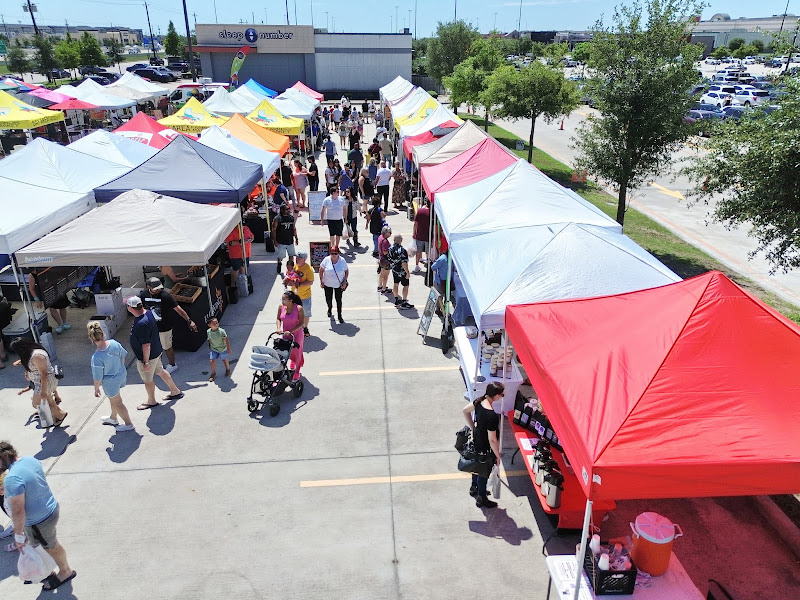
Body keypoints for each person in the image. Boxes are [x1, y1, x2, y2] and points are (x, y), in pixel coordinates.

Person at [0, 441, 77, 591]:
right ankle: (48, 569)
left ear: (4, 455)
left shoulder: (12, 479)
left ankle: (65, 572)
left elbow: (18, 512)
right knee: (41, 545)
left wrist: (18, 536)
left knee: (51, 546)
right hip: (50, 507)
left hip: (39, 521)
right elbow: (31, 483)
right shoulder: (30, 460)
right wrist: (9, 490)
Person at [126, 296, 183, 410]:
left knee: (148, 380)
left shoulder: (141, 323)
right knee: (160, 371)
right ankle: (175, 391)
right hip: (156, 352)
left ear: (130, 308)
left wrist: (145, 362)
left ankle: (151, 401)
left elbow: (146, 345)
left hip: (148, 357)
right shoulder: (148, 313)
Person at [140, 277, 197, 374]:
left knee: (167, 346)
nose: (157, 289)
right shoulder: (143, 295)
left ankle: (172, 365)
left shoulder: (166, 296)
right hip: (151, 327)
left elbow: (178, 309)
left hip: (164, 327)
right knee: (154, 347)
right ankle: (158, 365)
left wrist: (189, 320)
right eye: (155, 288)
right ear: (148, 287)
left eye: (158, 287)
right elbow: (141, 310)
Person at [462, 383, 504, 509]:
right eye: (501, 394)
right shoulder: (491, 416)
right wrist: (498, 455)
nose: (502, 396)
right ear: (495, 396)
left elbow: (465, 410)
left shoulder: (480, 401)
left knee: (476, 466)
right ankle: (481, 497)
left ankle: (474, 487)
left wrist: (473, 428)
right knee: (483, 472)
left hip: (477, 441)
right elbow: (492, 440)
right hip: (485, 446)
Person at [87, 322, 134, 432]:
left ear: (91, 338)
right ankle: (113, 418)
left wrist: (96, 388)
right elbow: (123, 357)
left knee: (117, 402)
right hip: (121, 374)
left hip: (110, 382)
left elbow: (97, 377)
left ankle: (128, 424)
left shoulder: (96, 357)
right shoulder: (114, 343)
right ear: (103, 333)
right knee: (113, 398)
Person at [9, 338, 67, 427]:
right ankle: (57, 415)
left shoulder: (37, 356)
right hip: (41, 382)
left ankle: (60, 414)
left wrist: (43, 392)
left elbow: (44, 374)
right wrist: (21, 362)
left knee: (37, 403)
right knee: (49, 400)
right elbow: (32, 362)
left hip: (44, 382)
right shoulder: (32, 352)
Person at [27, 270, 71, 335]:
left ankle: (64, 322)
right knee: (52, 309)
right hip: (47, 292)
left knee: (62, 307)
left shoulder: (47, 268)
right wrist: (37, 300)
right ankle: (60, 324)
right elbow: (31, 288)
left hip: (58, 288)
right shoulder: (32, 275)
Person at [276, 291, 305, 380]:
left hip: (296, 334)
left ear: (291, 300)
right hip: (285, 334)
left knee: (297, 352)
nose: (282, 301)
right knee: (287, 351)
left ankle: (297, 371)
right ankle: (292, 361)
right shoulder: (281, 307)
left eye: (284, 300)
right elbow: (278, 318)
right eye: (282, 299)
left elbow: (301, 323)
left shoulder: (299, 308)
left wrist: (291, 331)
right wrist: (278, 328)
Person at [319, 247, 348, 323]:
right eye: (332, 253)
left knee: (338, 300)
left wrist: (345, 281)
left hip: (338, 284)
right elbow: (321, 270)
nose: (334, 255)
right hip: (327, 284)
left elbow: (346, 271)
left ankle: (339, 315)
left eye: (335, 253)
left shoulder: (342, 261)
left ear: (338, 253)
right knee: (328, 299)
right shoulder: (326, 260)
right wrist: (321, 280)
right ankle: (329, 308)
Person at [289, 251, 314, 337]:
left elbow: (310, 282)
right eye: (297, 258)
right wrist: (289, 282)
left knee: (306, 313)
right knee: (294, 313)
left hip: (305, 296)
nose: (297, 259)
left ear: (305, 259)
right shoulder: (293, 267)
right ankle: (296, 328)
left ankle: (305, 327)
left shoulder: (309, 269)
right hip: (294, 297)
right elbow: (289, 277)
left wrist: (299, 284)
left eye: (299, 258)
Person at [387, 234, 415, 309]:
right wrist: (407, 272)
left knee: (395, 284)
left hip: (394, 270)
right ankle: (404, 302)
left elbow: (389, 259)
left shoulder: (390, 249)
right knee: (405, 286)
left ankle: (396, 300)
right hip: (402, 271)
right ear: (401, 240)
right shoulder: (402, 250)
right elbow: (404, 263)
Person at [272, 204, 298, 275]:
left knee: (291, 255)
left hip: (290, 240)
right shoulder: (277, 219)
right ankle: (279, 263)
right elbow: (274, 230)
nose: (288, 210)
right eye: (287, 209)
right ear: (282, 210)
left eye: (289, 208)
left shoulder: (291, 218)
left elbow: (294, 228)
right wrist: (275, 241)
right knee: (281, 257)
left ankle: (290, 269)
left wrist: (296, 237)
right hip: (281, 241)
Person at [206, 317, 231, 382]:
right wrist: (211, 348)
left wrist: (228, 349)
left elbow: (226, 340)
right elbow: (210, 340)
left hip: (222, 349)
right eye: (214, 323)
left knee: (224, 359)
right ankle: (213, 373)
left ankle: (228, 369)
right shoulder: (208, 331)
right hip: (214, 349)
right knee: (212, 361)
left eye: (217, 322)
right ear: (209, 325)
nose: (216, 324)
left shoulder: (221, 331)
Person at [412, 199, 431, 272]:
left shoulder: (420, 211)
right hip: (428, 236)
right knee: (428, 252)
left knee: (418, 251)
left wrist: (414, 233)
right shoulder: (432, 212)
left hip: (419, 234)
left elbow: (415, 223)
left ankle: (417, 266)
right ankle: (428, 265)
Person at [377, 225, 392, 293]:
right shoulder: (385, 241)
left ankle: (380, 286)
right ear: (386, 233)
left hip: (381, 258)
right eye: (390, 232)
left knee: (382, 273)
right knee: (386, 274)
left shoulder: (380, 237)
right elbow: (385, 252)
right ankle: (384, 288)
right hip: (386, 259)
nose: (391, 234)